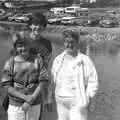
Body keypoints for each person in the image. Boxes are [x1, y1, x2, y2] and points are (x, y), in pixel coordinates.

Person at [51, 28, 98, 120]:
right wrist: (49, 98)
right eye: (66, 42)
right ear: (63, 42)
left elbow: (93, 81)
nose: (69, 45)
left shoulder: (85, 60)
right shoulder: (58, 59)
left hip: (77, 101)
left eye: (72, 42)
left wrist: (92, 100)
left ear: (77, 42)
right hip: (61, 100)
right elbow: (53, 79)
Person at [1, 32, 50, 120]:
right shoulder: (10, 63)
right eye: (19, 46)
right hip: (15, 106)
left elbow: (43, 82)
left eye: (25, 45)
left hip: (34, 104)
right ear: (15, 48)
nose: (23, 48)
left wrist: (31, 99)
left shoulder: (38, 60)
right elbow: (7, 86)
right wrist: (24, 97)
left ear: (29, 45)